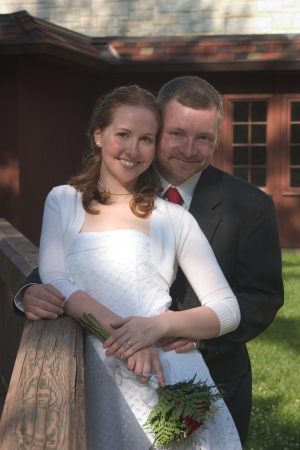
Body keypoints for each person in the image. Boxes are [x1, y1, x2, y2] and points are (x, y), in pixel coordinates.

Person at [13, 76, 284, 445]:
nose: (189, 149)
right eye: (175, 134)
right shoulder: (69, 198)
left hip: (189, 373)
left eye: (203, 137)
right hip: (100, 368)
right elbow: (64, 271)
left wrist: (166, 328)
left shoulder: (230, 209)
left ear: (217, 139)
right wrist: (30, 291)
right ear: (99, 135)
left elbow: (253, 300)